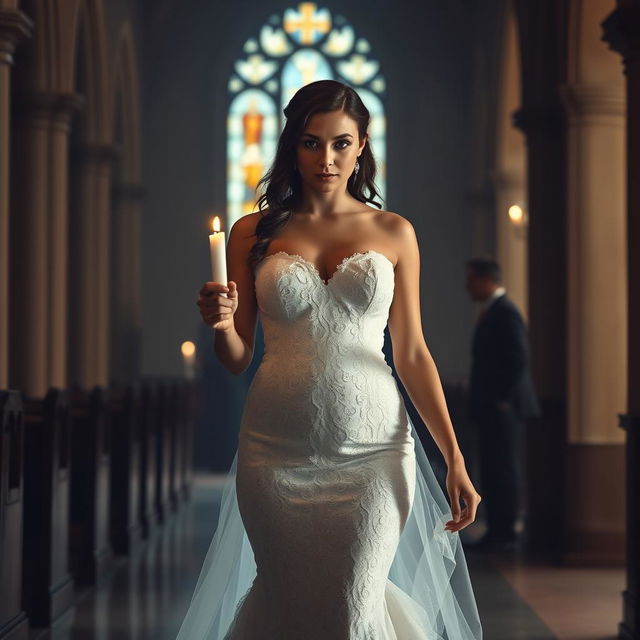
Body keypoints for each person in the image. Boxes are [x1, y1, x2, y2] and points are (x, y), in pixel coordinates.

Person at [182, 79, 483, 639]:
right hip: (275, 450)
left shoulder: (394, 232)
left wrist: (454, 458)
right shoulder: (252, 234)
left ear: (362, 145)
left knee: (353, 603)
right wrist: (220, 325)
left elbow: (413, 352)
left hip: (373, 450)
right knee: (290, 602)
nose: (326, 159)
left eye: (341, 144)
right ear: (291, 145)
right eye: (311, 142)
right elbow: (235, 357)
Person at [464, 258, 541, 553]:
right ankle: (497, 531)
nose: (467, 287)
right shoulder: (494, 312)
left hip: (503, 408)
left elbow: (518, 358)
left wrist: (501, 399)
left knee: (504, 468)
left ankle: (505, 533)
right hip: (493, 407)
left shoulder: (506, 312)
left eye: (471, 280)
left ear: (486, 280)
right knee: (493, 467)